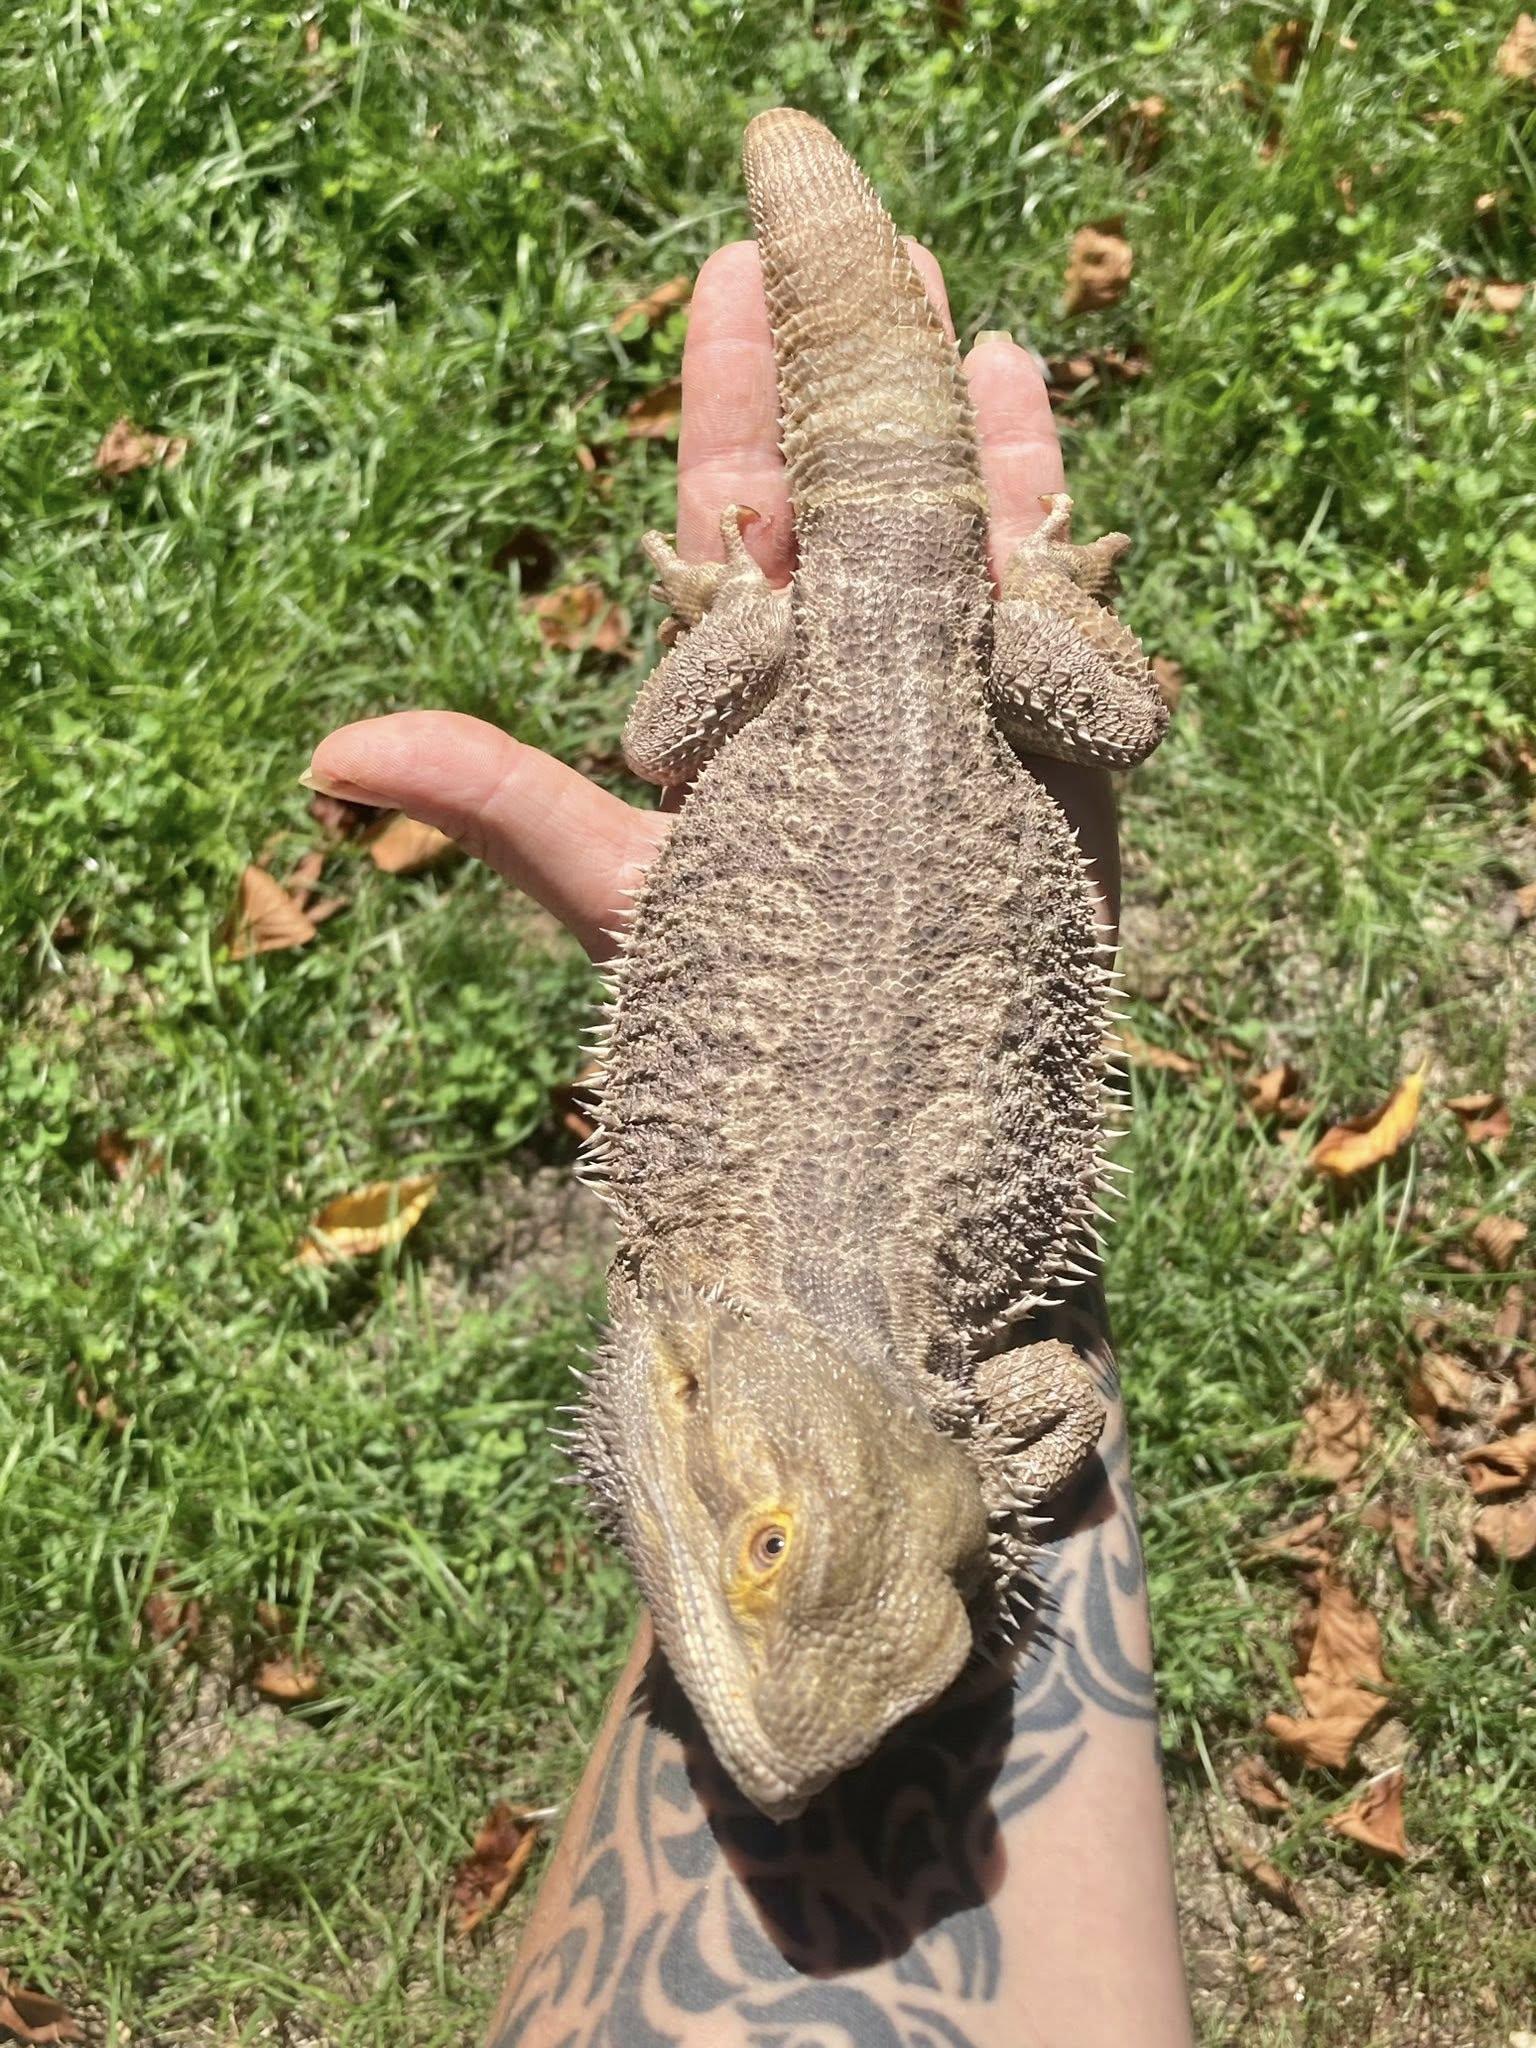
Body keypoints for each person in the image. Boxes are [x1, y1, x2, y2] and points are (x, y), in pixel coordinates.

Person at [308, 235, 1195, 2048]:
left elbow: (1051, 1411)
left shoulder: (936, 1387)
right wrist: (987, 598)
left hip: (879, 655)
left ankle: (972, 588)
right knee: (762, 726)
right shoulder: (745, 1305)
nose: (787, 1768)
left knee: (674, 737)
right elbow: (1053, 1410)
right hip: (933, 652)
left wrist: (951, 1515)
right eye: (779, 1554)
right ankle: (998, 582)